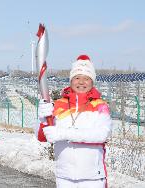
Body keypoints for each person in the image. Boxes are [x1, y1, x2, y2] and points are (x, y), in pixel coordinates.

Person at [35, 55, 112, 188]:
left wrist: (64, 134)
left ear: (92, 81)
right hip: (64, 177)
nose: (81, 82)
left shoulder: (100, 106)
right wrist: (42, 118)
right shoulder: (58, 105)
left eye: (86, 78)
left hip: (92, 178)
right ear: (71, 81)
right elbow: (41, 137)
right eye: (77, 78)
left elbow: (101, 135)